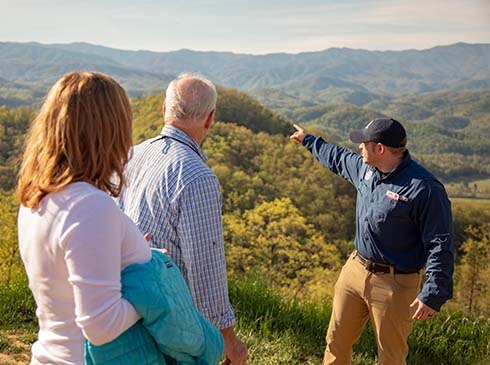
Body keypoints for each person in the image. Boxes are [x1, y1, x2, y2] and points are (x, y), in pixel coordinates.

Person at [17, 72, 223, 365]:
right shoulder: (90, 205)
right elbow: (101, 325)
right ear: (109, 129)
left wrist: (132, 252)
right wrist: (153, 276)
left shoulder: (35, 199)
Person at [290, 118, 454, 365]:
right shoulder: (366, 169)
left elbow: (440, 244)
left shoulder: (424, 189)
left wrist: (434, 292)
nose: (359, 147)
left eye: (363, 143)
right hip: (355, 269)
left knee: (390, 357)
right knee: (336, 340)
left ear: (380, 149)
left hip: (395, 284)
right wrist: (308, 140)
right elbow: (337, 157)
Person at [117, 73, 248, 365]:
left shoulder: (131, 155)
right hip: (169, 323)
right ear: (210, 118)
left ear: (164, 110)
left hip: (125, 305)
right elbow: (205, 264)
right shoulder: (196, 176)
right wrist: (226, 337)